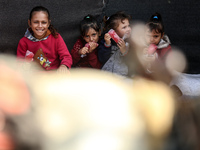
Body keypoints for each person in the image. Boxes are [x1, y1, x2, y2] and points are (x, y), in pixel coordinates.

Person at [17, 6, 72, 72]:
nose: (40, 26)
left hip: (54, 74)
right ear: (29, 23)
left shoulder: (56, 37)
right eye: (36, 22)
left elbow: (66, 57)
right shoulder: (23, 42)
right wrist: (24, 66)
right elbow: (19, 63)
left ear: (48, 23)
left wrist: (64, 66)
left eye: (44, 22)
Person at [98, 11, 132, 76]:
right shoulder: (106, 41)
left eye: (129, 26)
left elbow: (132, 64)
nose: (128, 29)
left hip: (122, 77)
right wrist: (107, 44)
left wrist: (124, 51)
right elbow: (102, 59)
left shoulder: (131, 43)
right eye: (124, 27)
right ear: (114, 31)